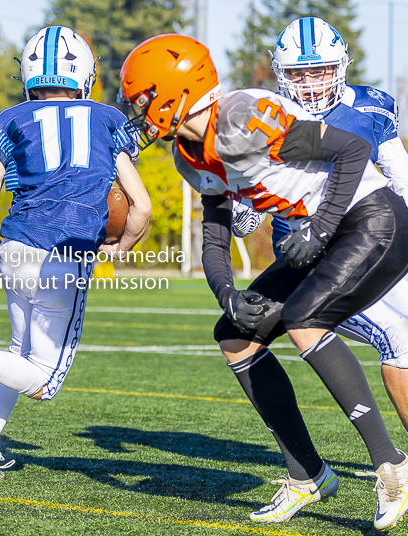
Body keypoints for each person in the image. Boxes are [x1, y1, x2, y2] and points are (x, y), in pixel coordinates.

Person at [119, 34, 408, 529]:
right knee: (234, 336)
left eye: (143, 100)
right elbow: (216, 232)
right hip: (325, 233)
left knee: (303, 319)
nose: (138, 113)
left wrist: (319, 227)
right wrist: (226, 293)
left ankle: (392, 467)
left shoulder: (241, 118)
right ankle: (308, 475)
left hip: (370, 218)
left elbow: (353, 149)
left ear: (174, 93)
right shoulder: (189, 154)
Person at [0, 26, 152, 483]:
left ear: (27, 73)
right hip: (65, 256)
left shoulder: (10, 120)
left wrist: (4, 255)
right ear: (84, 73)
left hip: (15, 245)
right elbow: (140, 206)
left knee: (18, 354)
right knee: (43, 382)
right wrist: (120, 247)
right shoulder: (106, 120)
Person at [231, 17, 408, 436]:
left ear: (341, 66)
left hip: (374, 246)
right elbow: (243, 219)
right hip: (312, 263)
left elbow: (400, 180)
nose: (310, 82)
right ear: (281, 75)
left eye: (321, 70)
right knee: (400, 340)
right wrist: (244, 205)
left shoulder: (370, 107)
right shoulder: (264, 119)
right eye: (298, 73)